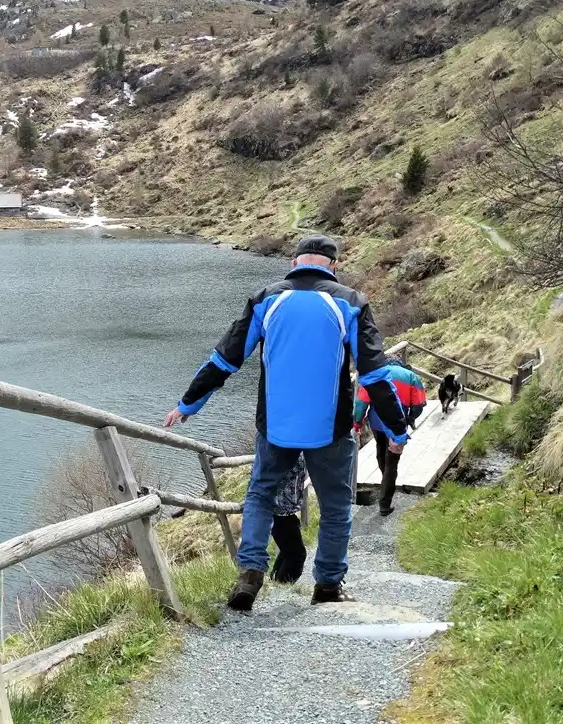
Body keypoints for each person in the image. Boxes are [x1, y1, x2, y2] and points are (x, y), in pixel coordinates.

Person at [163, 234, 411, 610]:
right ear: (334, 265)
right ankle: (327, 586)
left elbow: (224, 360)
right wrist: (396, 430)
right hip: (331, 430)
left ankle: (250, 575)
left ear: (294, 263)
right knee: (336, 506)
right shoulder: (351, 302)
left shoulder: (267, 299)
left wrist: (188, 404)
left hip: (275, 429)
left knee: (260, 496)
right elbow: (375, 375)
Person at [353, 354, 426, 516]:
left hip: (377, 425)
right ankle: (385, 503)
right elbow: (419, 405)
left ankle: (386, 481)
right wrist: (409, 419)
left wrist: (357, 423)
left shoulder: (375, 375)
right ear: (400, 363)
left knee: (381, 451)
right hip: (397, 427)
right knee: (392, 462)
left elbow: (360, 404)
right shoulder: (411, 377)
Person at [270, 456, 308, 584]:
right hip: (280, 509)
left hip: (283, 510)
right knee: (297, 555)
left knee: (288, 551)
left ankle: (275, 580)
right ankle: (281, 587)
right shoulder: (284, 446)